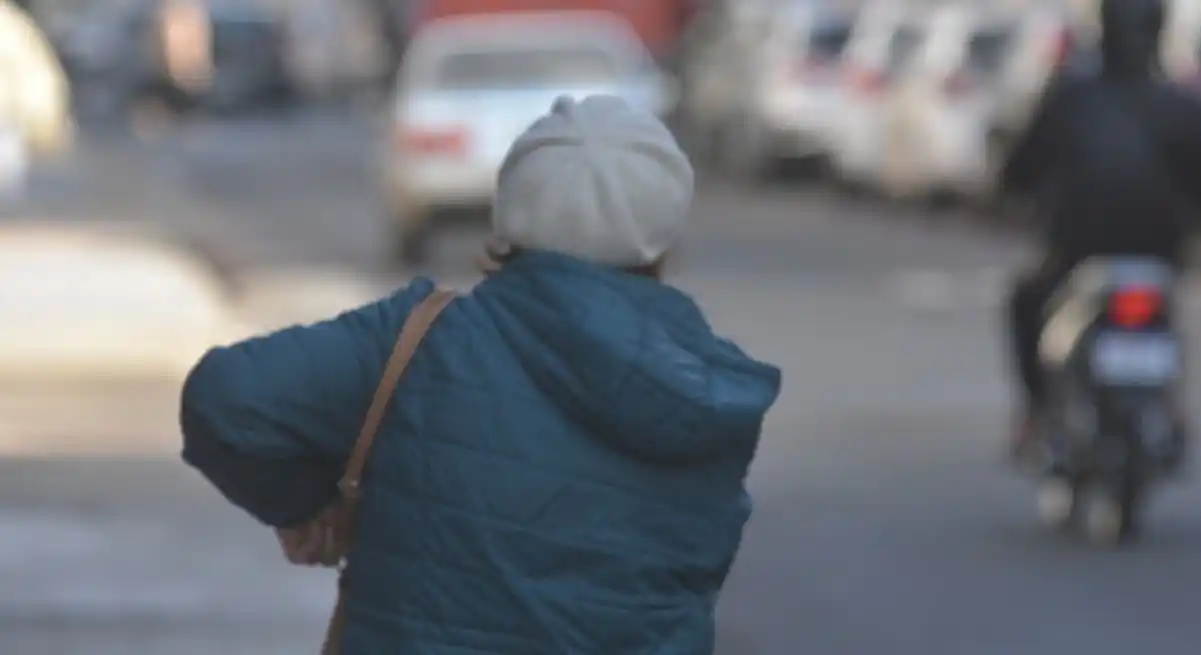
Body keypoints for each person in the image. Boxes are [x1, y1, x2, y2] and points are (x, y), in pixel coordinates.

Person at [180, 95, 783, 653]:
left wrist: (309, 507)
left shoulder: (419, 342)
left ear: (509, 214)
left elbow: (226, 399)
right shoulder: (706, 399)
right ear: (661, 236)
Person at [998, 0, 1201, 455]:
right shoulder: (1180, 103)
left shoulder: (1071, 97)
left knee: (1026, 303)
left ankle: (1037, 411)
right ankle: (1166, 404)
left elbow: (1019, 169)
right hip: (1157, 253)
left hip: (1077, 251)